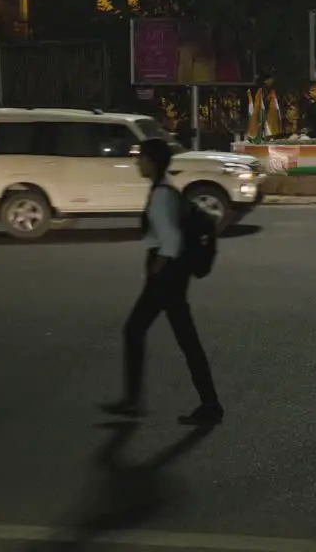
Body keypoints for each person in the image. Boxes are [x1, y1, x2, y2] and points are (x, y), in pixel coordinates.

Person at [100, 138, 223, 425]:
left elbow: (171, 239)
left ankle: (206, 404)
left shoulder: (161, 195)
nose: (137, 162)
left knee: (149, 332)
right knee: (166, 335)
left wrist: (158, 267)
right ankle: (204, 402)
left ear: (153, 162)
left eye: (141, 158)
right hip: (171, 274)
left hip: (166, 275)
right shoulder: (165, 189)